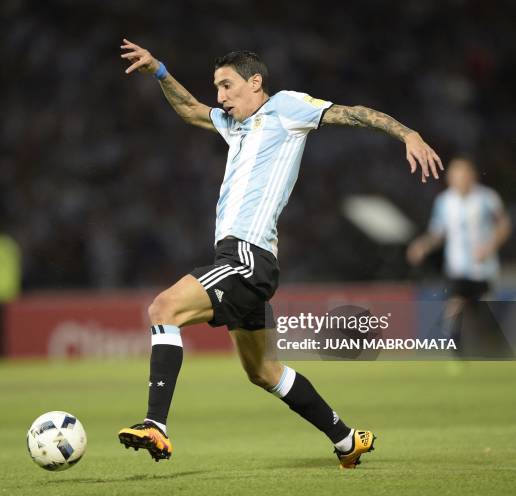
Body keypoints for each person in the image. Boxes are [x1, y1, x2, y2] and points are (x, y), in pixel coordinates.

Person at [118, 38, 443, 469]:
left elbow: (353, 114)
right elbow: (192, 110)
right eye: (217, 87)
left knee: (164, 309)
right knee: (264, 372)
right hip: (246, 260)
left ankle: (155, 425)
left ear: (255, 82)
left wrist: (408, 133)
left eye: (227, 85)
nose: (220, 97)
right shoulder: (234, 125)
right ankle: (347, 440)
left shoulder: (286, 108)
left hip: (245, 258)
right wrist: (159, 71)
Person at [407, 157, 512, 354]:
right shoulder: (444, 201)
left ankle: (491, 348)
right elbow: (438, 233)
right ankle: (457, 352)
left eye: (463, 174)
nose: (460, 179)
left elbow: (504, 225)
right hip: (457, 267)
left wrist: (489, 247)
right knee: (455, 304)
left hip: (484, 268)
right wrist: (422, 245)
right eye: (456, 175)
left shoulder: (488, 198)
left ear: (472, 176)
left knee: (483, 310)